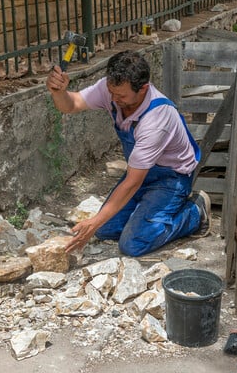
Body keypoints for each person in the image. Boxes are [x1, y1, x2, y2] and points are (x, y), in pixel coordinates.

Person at [46, 50, 211, 257]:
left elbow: (132, 182)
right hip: (141, 172)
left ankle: (195, 211)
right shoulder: (113, 88)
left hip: (171, 178)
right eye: (111, 91)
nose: (113, 99)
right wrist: (58, 92)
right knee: (105, 230)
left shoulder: (156, 119)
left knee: (132, 244)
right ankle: (145, 212)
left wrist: (93, 222)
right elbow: (72, 104)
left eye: (121, 96)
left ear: (143, 89)